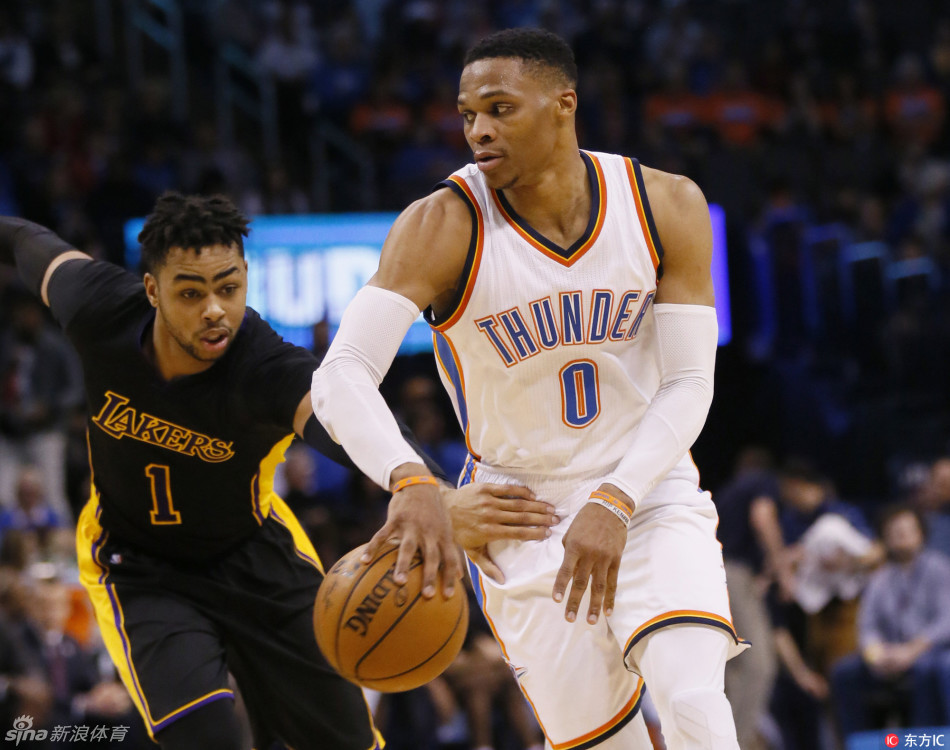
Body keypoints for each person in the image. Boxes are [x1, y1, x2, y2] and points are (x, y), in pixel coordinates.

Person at [312, 28, 746, 750]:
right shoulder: (443, 224)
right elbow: (341, 373)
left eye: (499, 108)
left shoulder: (664, 203)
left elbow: (690, 381)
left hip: (647, 487)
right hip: (521, 513)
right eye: (467, 115)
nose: (478, 130)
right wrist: (412, 482)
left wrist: (616, 498)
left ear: (562, 105)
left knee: (694, 698)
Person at [0, 193, 556, 750]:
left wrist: (421, 483)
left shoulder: (260, 363)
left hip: (253, 553)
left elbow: (341, 418)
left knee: (347, 742)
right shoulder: (99, 306)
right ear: (152, 290)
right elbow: (24, 238)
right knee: (206, 738)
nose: (214, 309)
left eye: (228, 288)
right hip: (138, 563)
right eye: (191, 293)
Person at [830, 505, 950, 738]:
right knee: (844, 673)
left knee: (928, 669)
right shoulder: (880, 578)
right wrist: (876, 655)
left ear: (921, 533)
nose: (901, 537)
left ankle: (925, 742)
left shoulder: (940, 569)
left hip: (930, 650)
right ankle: (860, 742)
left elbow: (946, 620)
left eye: (907, 530)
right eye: (895, 532)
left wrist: (912, 650)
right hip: (890, 655)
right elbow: (867, 626)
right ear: (885, 538)